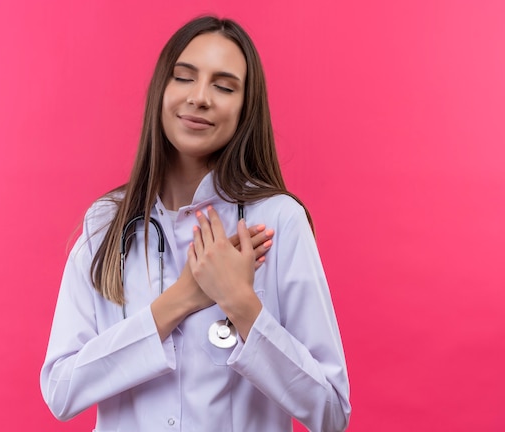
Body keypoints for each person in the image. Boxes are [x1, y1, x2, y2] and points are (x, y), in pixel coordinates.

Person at [41, 15, 351, 432]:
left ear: (245, 109)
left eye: (224, 86)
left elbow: (330, 411)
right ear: (161, 92)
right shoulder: (106, 224)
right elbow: (61, 391)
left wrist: (242, 305)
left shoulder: (278, 220)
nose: (200, 97)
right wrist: (182, 299)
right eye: (184, 78)